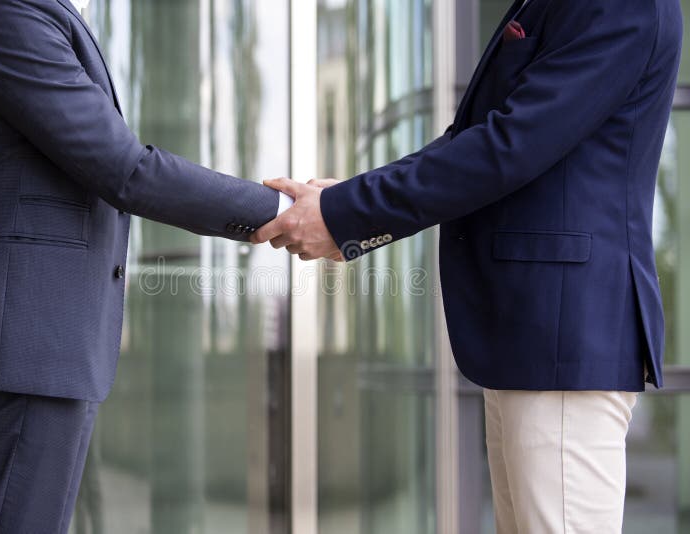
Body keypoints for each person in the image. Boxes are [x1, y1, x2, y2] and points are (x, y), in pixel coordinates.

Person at [253, 0, 682, 532]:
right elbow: (479, 135)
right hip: (535, 340)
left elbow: (509, 146)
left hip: (565, 342)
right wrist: (350, 203)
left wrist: (345, 215)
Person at [0, 0, 291, 532]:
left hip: (35, 341)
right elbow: (123, 168)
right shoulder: (0, 12)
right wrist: (280, 213)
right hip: (22, 341)